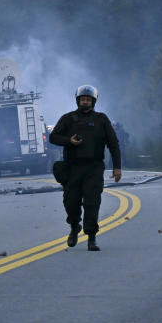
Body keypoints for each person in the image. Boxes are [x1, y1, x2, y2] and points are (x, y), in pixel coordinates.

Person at [48, 85, 121, 251]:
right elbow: (53, 137)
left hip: (94, 167)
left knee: (92, 202)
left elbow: (113, 144)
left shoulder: (102, 120)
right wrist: (69, 141)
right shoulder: (68, 119)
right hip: (72, 167)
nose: (85, 102)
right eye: (82, 99)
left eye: (88, 99)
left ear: (93, 101)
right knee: (71, 202)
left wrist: (117, 167)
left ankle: (91, 238)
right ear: (78, 101)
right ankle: (74, 227)